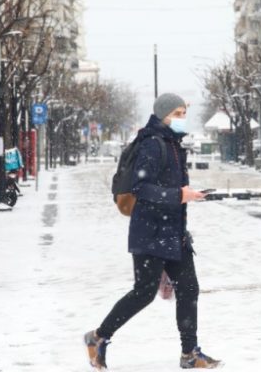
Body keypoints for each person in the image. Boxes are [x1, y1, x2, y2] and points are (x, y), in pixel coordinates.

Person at [84, 93, 221, 370]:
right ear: (164, 115)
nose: (183, 119)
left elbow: (170, 189)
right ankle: (98, 337)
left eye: (184, 113)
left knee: (189, 288)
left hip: (173, 231)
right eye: (179, 113)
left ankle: (189, 353)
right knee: (144, 292)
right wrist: (180, 195)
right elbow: (141, 189)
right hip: (151, 231)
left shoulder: (172, 143)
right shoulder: (153, 144)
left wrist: (188, 195)